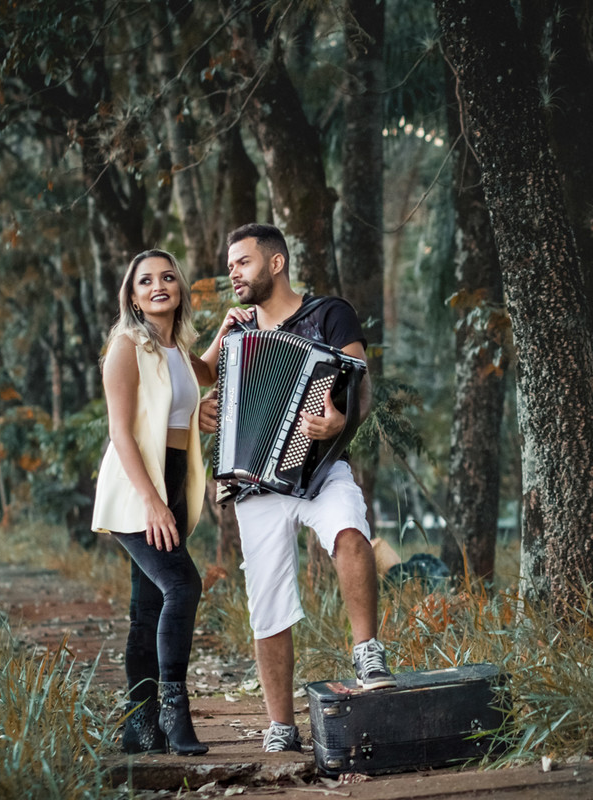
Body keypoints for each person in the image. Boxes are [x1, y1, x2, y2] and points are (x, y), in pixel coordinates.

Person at [197, 223, 395, 754]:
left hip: (321, 467)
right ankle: (281, 724)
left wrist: (340, 424)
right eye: (231, 264)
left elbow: (362, 389)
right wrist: (205, 411)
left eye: (242, 262)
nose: (233, 272)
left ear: (276, 263)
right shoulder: (237, 336)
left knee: (350, 534)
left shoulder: (330, 314)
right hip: (255, 483)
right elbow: (197, 388)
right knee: (268, 602)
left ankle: (367, 649)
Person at [92, 249, 216, 756]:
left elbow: (204, 376)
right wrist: (152, 502)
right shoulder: (126, 346)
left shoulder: (179, 351)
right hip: (136, 486)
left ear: (180, 289)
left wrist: (228, 324)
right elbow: (120, 431)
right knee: (183, 586)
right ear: (135, 296)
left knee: (146, 611)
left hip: (174, 481)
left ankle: (138, 727)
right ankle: (172, 710)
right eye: (146, 280)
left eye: (168, 276)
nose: (159, 284)